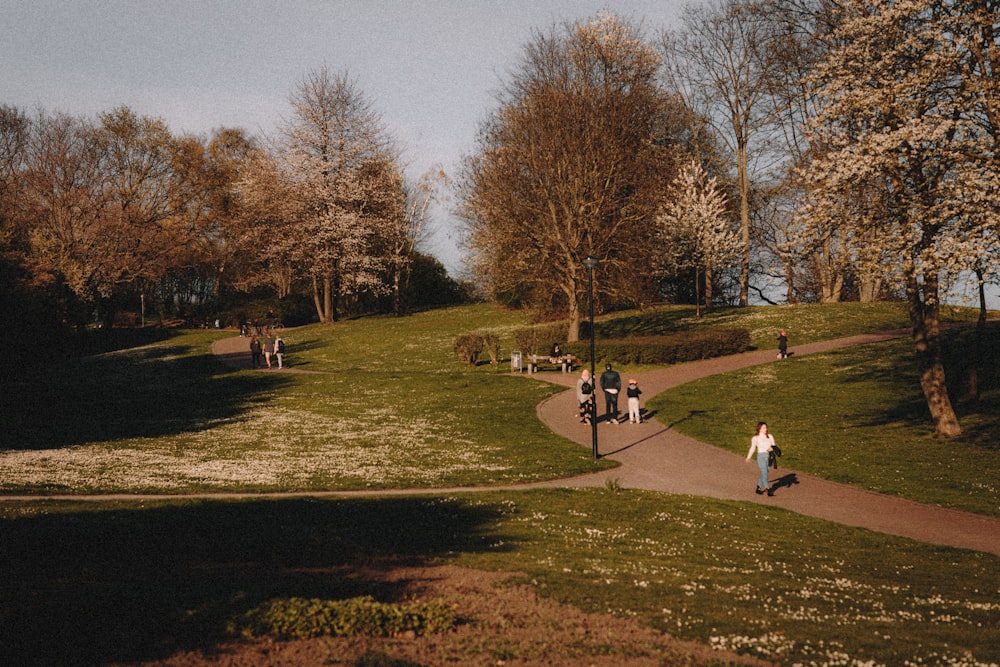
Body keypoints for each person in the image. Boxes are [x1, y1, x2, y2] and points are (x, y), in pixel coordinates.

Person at [746, 421, 776, 496]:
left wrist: (772, 449)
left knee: (764, 473)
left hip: (769, 457)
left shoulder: (770, 436)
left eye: (766, 427)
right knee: (764, 472)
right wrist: (748, 457)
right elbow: (753, 448)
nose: (766, 429)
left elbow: (774, 446)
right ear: (759, 429)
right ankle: (768, 489)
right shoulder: (755, 438)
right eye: (764, 427)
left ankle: (758, 487)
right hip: (761, 457)